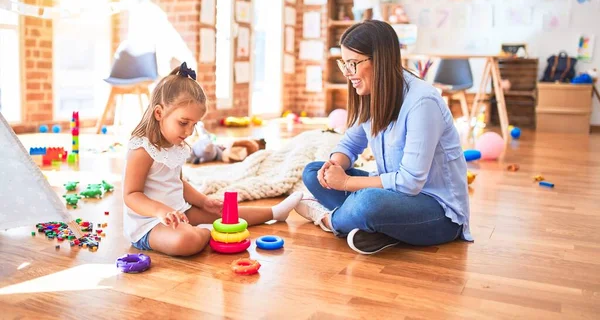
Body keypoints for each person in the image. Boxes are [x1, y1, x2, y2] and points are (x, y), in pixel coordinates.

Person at [295, 20, 473, 255]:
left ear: (380, 60)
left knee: (368, 203)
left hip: (437, 213)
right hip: (392, 196)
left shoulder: (423, 102)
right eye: (344, 63)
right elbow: (350, 144)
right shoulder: (372, 93)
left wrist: (346, 183)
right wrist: (333, 167)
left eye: (353, 63)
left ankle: (331, 220)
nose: (348, 72)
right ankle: (379, 229)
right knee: (312, 172)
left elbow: (409, 183)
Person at [123, 63, 302, 256]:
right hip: (149, 225)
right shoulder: (142, 149)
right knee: (186, 241)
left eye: (194, 124)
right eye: (183, 123)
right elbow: (131, 194)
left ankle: (275, 212)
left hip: (180, 212)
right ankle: (208, 232)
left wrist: (203, 201)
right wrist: (161, 211)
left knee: (226, 212)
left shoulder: (175, 144)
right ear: (159, 113)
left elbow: (177, 182)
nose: (189, 131)